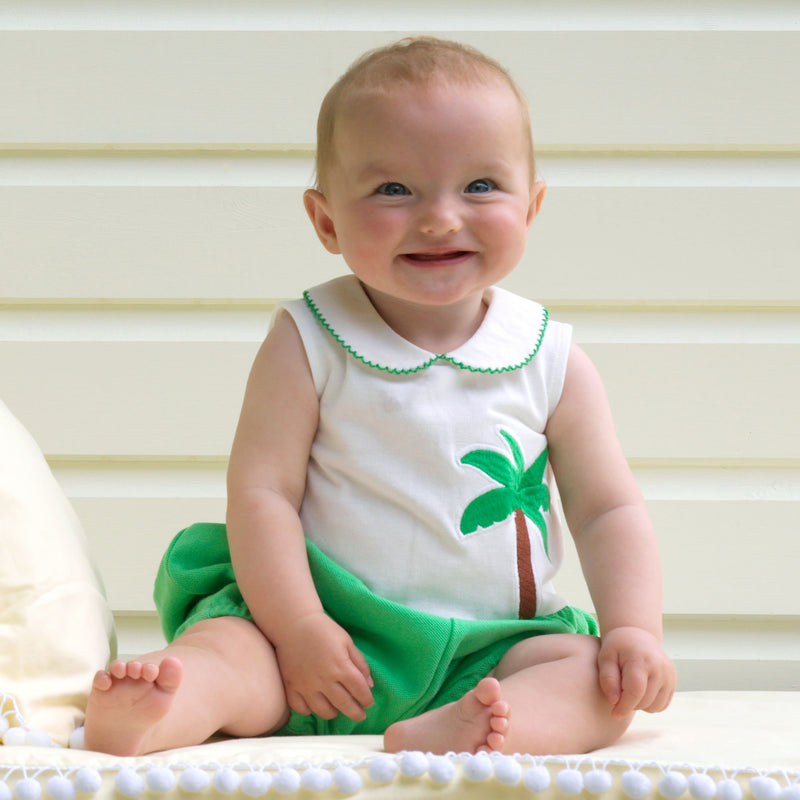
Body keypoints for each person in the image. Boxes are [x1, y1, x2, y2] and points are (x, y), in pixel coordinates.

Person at [84, 36, 675, 758]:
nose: (440, 217)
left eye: (481, 187)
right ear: (326, 220)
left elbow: (606, 507)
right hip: (323, 633)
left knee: (591, 683)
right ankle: (162, 708)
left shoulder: (550, 356)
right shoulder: (310, 339)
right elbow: (262, 494)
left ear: (533, 206)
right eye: (394, 189)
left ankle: (472, 729)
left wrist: (634, 631)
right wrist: (299, 628)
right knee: (235, 654)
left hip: (487, 651)